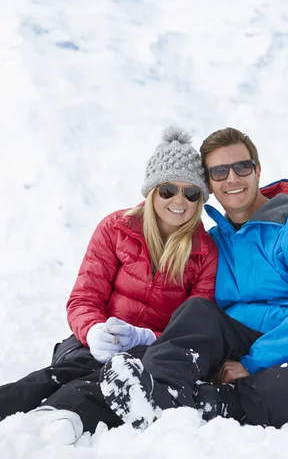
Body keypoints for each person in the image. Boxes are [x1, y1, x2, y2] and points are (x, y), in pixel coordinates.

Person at [100, 126, 288, 431]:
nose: (232, 178)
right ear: (209, 185)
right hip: (236, 345)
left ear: (257, 171)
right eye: (219, 172)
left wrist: (253, 363)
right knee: (196, 311)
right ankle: (162, 393)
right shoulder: (214, 243)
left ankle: (225, 403)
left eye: (242, 167)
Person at [0, 126, 218, 443]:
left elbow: (194, 329)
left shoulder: (205, 253)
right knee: (71, 369)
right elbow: (84, 298)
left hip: (150, 352)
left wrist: (146, 337)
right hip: (91, 341)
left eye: (192, 192)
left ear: (200, 199)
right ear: (153, 190)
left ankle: (57, 418)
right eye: (169, 190)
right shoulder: (116, 228)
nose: (179, 201)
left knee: (120, 376)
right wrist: (93, 331)